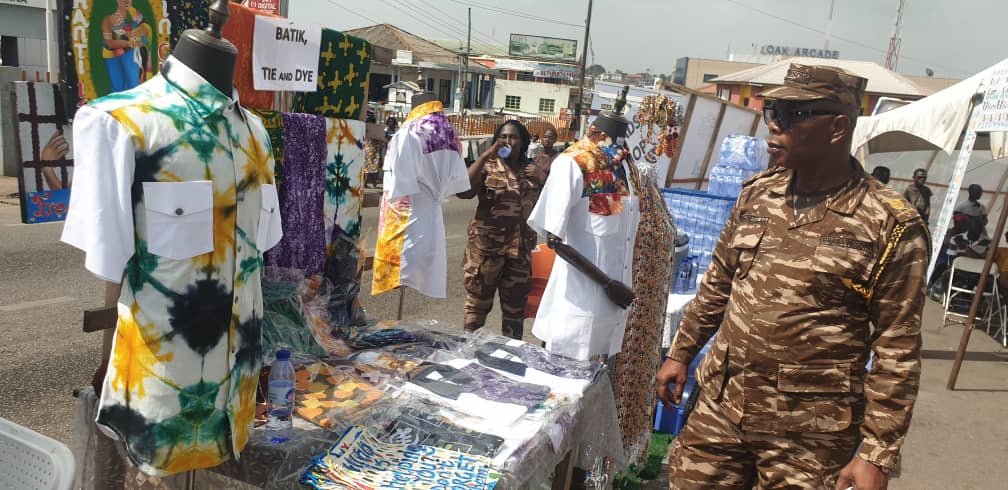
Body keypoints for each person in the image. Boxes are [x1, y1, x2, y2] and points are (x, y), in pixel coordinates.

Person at [656, 63, 929, 489]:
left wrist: (876, 454)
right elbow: (719, 284)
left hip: (809, 438)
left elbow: (898, 350)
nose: (774, 125)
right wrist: (681, 352)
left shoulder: (888, 225)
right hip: (721, 410)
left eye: (792, 114)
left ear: (837, 128)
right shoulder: (758, 193)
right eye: (772, 110)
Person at [457, 120, 546, 339]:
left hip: (519, 254)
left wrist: (543, 178)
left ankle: (509, 363)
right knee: (476, 310)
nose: (508, 141)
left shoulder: (531, 171)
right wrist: (486, 155)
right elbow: (464, 191)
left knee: (515, 315)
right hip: (487, 252)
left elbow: (555, 200)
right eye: (503, 137)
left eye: (513, 137)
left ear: (523, 142)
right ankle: (468, 357)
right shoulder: (488, 166)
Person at [101, 0, 152, 93]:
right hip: (111, 55)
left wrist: (139, 33)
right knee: (117, 87)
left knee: (133, 85)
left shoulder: (136, 14)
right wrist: (129, 42)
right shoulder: (108, 20)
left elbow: (145, 30)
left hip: (129, 53)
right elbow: (109, 43)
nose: (126, 1)